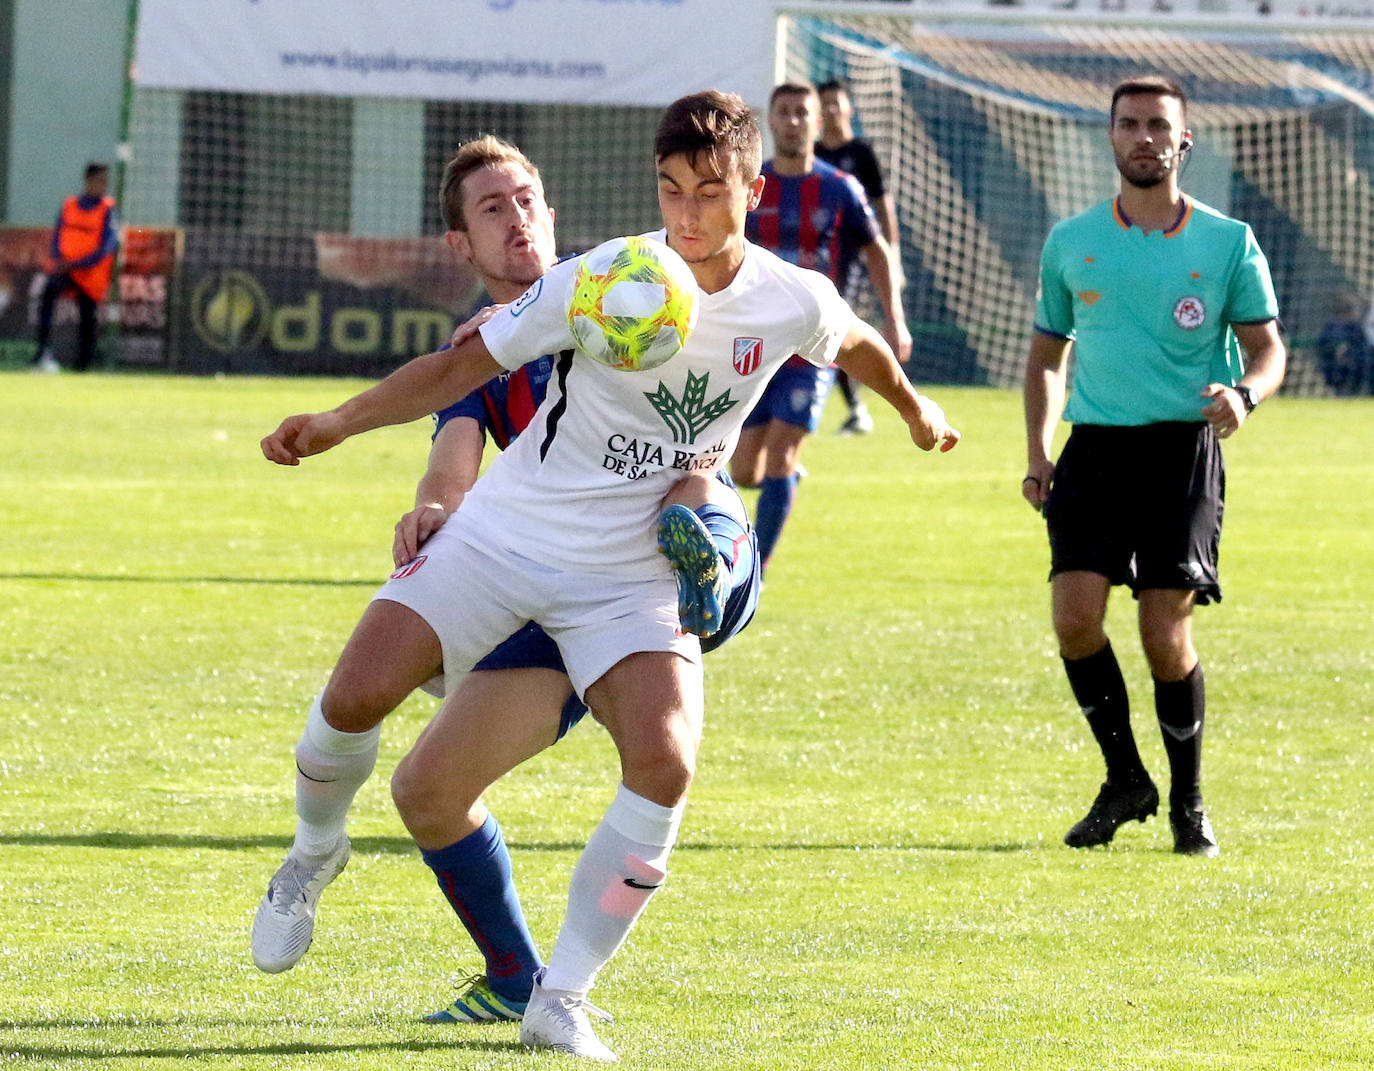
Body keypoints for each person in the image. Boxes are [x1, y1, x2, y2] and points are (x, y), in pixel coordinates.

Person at [260, 89, 960, 1061]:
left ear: (754, 191)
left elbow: (857, 344)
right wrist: (335, 425)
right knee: (353, 697)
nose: (686, 215)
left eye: (710, 192)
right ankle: (312, 851)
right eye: (671, 190)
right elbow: (459, 376)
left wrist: (917, 408)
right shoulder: (605, 277)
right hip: (508, 538)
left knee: (666, 759)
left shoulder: (788, 296)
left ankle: (560, 998)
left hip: (627, 578)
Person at [249, 135, 762, 1028]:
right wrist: (436, 510)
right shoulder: (486, 349)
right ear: (462, 246)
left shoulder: (635, 294)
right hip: (534, 587)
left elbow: (716, 398)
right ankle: (515, 978)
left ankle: (712, 557)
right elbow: (454, 437)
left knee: (700, 492)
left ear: (552, 212)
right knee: (425, 788)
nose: (517, 216)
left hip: (628, 584)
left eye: (527, 198)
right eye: (493, 207)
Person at [1022, 77, 1286, 858]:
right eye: (1129, 125)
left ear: (1183, 142)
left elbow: (1270, 350)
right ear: (1110, 138)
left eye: (1158, 126)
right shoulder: (1071, 241)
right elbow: (1044, 358)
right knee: (1074, 619)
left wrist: (1244, 395)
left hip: (1182, 451)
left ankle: (1189, 803)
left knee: (1162, 632)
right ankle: (1124, 779)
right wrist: (1039, 451)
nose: (1144, 137)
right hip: (1094, 448)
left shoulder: (1228, 240)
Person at [739, 80, 911, 575]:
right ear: (770, 122)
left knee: (781, 455)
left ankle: (757, 569)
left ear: (819, 123)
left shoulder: (840, 188)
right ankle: (786, 481)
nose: (793, 121)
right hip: (753, 345)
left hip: (814, 348)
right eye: (784, 112)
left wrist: (894, 319)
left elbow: (877, 251)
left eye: (802, 113)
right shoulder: (751, 186)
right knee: (745, 469)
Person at [815, 78, 903, 435]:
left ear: (849, 107)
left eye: (838, 103)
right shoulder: (814, 154)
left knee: (835, 330)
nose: (832, 110)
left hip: (852, 257)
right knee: (825, 334)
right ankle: (849, 409)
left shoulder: (862, 153)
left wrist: (891, 254)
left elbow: (883, 205)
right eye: (826, 105)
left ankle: (854, 409)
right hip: (815, 256)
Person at [31, 162, 119, 373]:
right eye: (100, 181)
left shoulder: (108, 209)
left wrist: (76, 264)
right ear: (88, 181)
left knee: (88, 316)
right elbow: (58, 235)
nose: (103, 186)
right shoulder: (70, 204)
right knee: (47, 295)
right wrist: (58, 259)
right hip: (66, 270)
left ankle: (83, 365)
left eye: (106, 182)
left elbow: (107, 246)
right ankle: (42, 351)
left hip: (90, 273)